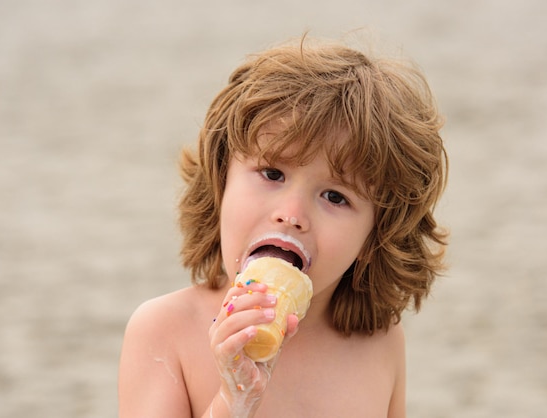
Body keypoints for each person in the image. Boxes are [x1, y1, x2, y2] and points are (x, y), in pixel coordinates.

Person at [118, 36, 448, 418]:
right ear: (221, 178)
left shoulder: (380, 344)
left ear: (376, 237)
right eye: (272, 173)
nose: (291, 214)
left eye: (335, 197)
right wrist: (233, 400)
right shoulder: (164, 331)